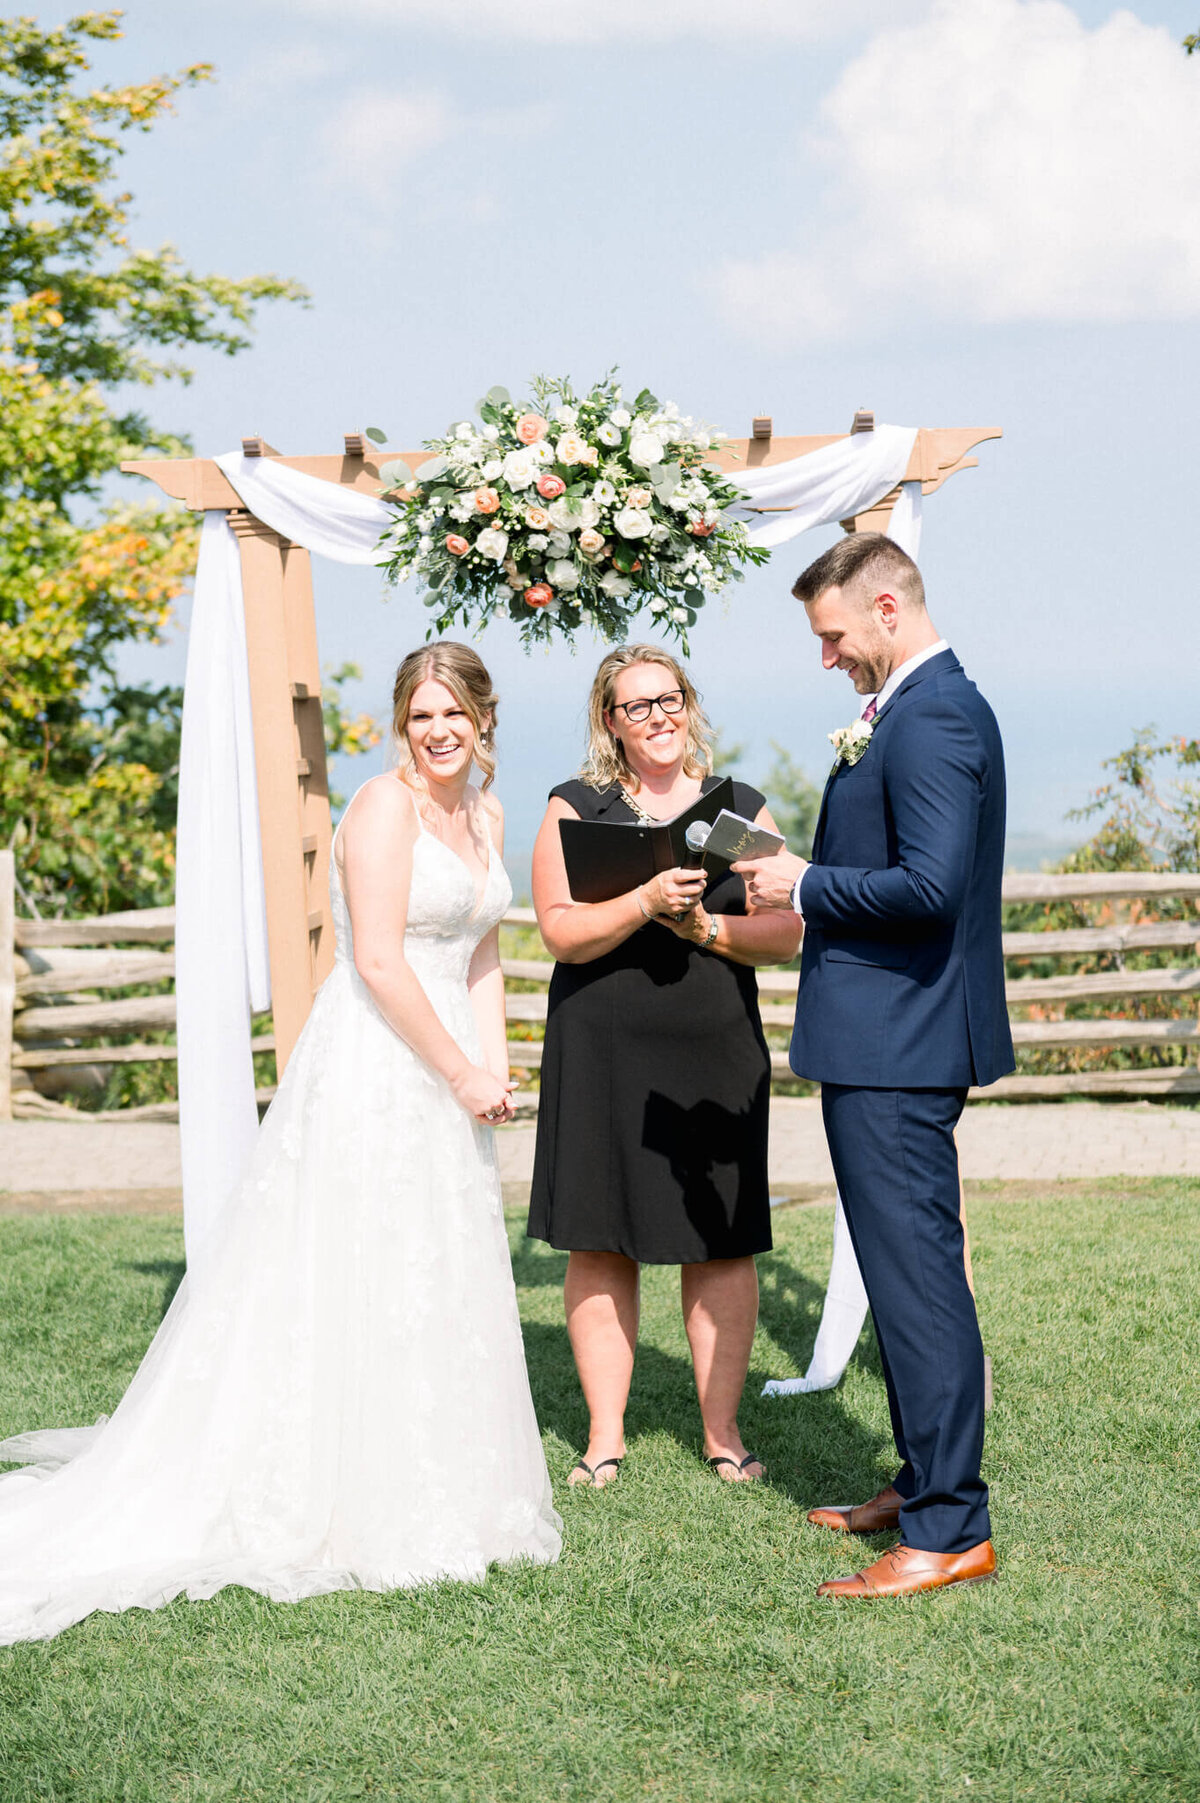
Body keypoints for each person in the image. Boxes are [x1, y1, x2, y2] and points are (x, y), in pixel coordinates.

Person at [0, 642, 560, 1645]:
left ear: (484, 722)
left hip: (450, 1074)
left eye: (454, 717)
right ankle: (340, 1495)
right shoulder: (383, 810)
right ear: (403, 721)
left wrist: (498, 1059)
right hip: (381, 1065)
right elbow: (384, 964)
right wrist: (458, 1070)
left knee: (436, 1265)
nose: (437, 733)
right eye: (420, 716)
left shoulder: (486, 815)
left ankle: (440, 1479)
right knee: (358, 1264)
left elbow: (481, 949)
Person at [735, 534, 1013, 1599]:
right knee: (902, 1282)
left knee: (921, 1284)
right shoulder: (902, 708)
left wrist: (801, 886)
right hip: (879, 1039)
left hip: (902, 1044)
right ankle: (919, 1481)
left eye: (834, 636)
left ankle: (950, 1529)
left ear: (888, 608)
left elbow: (931, 888)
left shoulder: (937, 713)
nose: (828, 658)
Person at [527, 645, 803, 1487]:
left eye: (669, 698)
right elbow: (558, 928)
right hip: (601, 1047)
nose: (657, 716)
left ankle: (722, 1432)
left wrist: (707, 929)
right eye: (635, 704)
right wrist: (646, 901)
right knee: (600, 1237)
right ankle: (604, 1437)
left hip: (712, 1046)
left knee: (719, 1241)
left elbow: (788, 930)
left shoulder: (740, 811)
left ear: (690, 704)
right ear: (608, 720)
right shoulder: (576, 805)